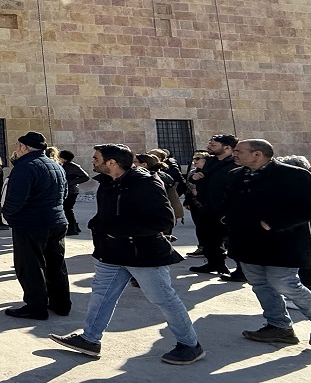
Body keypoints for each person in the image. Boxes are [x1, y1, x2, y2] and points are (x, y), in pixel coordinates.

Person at [49, 144, 205, 364]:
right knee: (101, 295)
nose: (93, 162)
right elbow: (108, 213)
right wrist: (99, 225)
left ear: (111, 162)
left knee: (163, 298)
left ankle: (190, 345)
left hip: (143, 254)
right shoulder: (106, 182)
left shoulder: (145, 183)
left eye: (96, 158)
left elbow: (163, 221)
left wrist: (117, 229)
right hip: (111, 252)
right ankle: (90, 339)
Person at [223, 139, 311, 348]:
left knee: (284, 283)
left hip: (283, 243)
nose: (234, 154)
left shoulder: (294, 175)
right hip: (247, 243)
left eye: (239, 151)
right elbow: (231, 204)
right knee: (259, 284)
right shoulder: (235, 175)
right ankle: (279, 326)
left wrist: (274, 223)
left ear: (257, 154)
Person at [0, 132, 69, 320]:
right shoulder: (55, 164)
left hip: (31, 223)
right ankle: (61, 304)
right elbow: (64, 194)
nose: (16, 149)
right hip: (56, 220)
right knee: (55, 264)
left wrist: (7, 215)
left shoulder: (25, 166)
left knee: (30, 266)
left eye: (17, 145)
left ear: (24, 147)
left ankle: (36, 306)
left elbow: (15, 199)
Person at [279, 155, 311, 308]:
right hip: (309, 232)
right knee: (307, 263)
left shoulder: (305, 186)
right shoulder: (309, 183)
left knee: (306, 265)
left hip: (308, 232)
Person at [189, 134, 240, 278]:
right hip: (208, 205)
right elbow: (201, 178)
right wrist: (195, 178)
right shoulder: (210, 162)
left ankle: (242, 270)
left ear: (227, 147)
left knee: (233, 239)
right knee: (208, 236)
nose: (209, 147)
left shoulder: (235, 163)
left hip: (228, 207)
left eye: (213, 145)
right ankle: (215, 263)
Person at [56, 150, 90, 236]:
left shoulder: (73, 167)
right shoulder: (62, 166)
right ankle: (74, 227)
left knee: (68, 209)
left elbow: (85, 177)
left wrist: (70, 182)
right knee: (66, 209)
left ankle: (72, 228)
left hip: (72, 191)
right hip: (66, 190)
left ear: (64, 159)